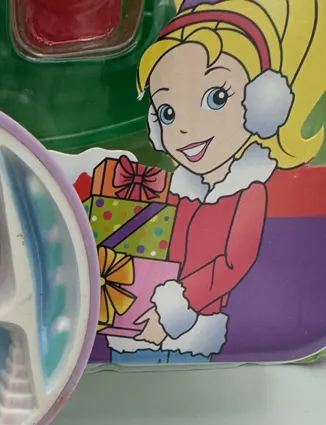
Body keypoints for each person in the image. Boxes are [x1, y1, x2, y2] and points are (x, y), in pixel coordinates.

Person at [109, 0, 326, 364]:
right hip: (151, 315)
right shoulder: (182, 190)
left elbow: (231, 264)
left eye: (216, 97)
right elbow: (160, 245)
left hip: (196, 323)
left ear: (262, 104)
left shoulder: (247, 192)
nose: (184, 128)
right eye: (167, 112)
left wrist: (174, 311)